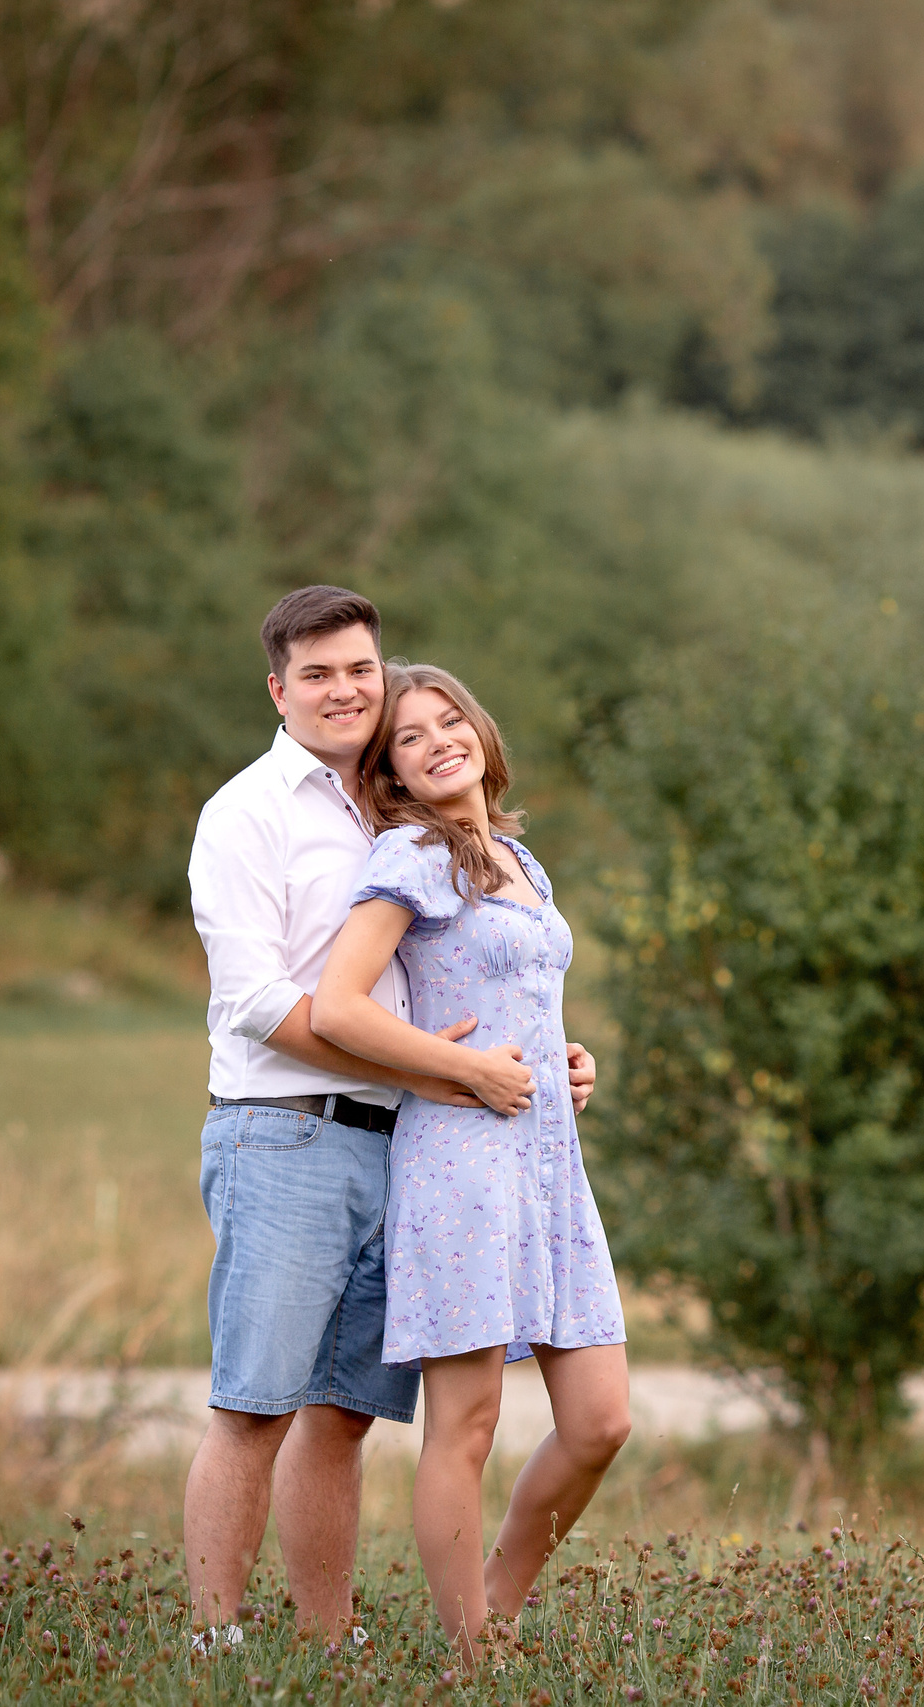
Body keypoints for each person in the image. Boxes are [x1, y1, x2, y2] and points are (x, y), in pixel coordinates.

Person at [182, 587, 595, 1644]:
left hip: (407, 1151)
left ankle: (327, 1638)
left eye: (358, 669)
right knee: (256, 1403)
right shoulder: (249, 812)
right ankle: (212, 1637)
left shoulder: (389, 806)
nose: (344, 689)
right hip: (289, 1131)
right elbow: (261, 1005)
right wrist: (442, 1077)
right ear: (278, 689)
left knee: (344, 1415)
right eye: (316, 674)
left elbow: (453, 973)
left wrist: (541, 1060)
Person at [312, 661, 630, 1665]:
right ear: (393, 774)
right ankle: (473, 1653)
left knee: (600, 1421)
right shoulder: (411, 859)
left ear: (481, 734)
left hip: (547, 1165)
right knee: (468, 1423)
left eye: (450, 720)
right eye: (410, 735)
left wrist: (566, 1059)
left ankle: (496, 1603)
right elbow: (339, 1006)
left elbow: (523, 996)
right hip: (460, 1165)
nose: (438, 739)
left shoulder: (522, 864)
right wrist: (460, 1069)